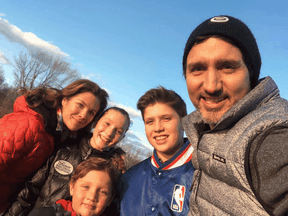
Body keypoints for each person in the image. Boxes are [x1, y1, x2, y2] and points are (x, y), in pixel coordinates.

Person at [181, 15, 288, 216]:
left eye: (227, 67)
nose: (211, 85)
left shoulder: (269, 138)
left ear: (251, 73)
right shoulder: (202, 130)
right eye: (198, 69)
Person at [0, 79, 108, 213]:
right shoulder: (30, 124)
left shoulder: (60, 135)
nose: (83, 115)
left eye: (91, 112)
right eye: (80, 105)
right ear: (65, 100)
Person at [4, 107, 130, 216]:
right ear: (96, 122)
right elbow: (31, 190)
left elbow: (111, 210)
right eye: (107, 123)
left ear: (122, 137)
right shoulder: (64, 148)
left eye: (118, 131)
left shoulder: (115, 170)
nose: (109, 132)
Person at [120, 86, 194, 216]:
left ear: (184, 121)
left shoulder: (206, 173)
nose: (158, 128)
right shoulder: (129, 178)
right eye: (150, 121)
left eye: (166, 118)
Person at [27, 157, 121, 216]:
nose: (92, 197)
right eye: (86, 187)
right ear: (72, 188)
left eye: (102, 192)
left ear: (110, 199)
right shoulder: (43, 214)